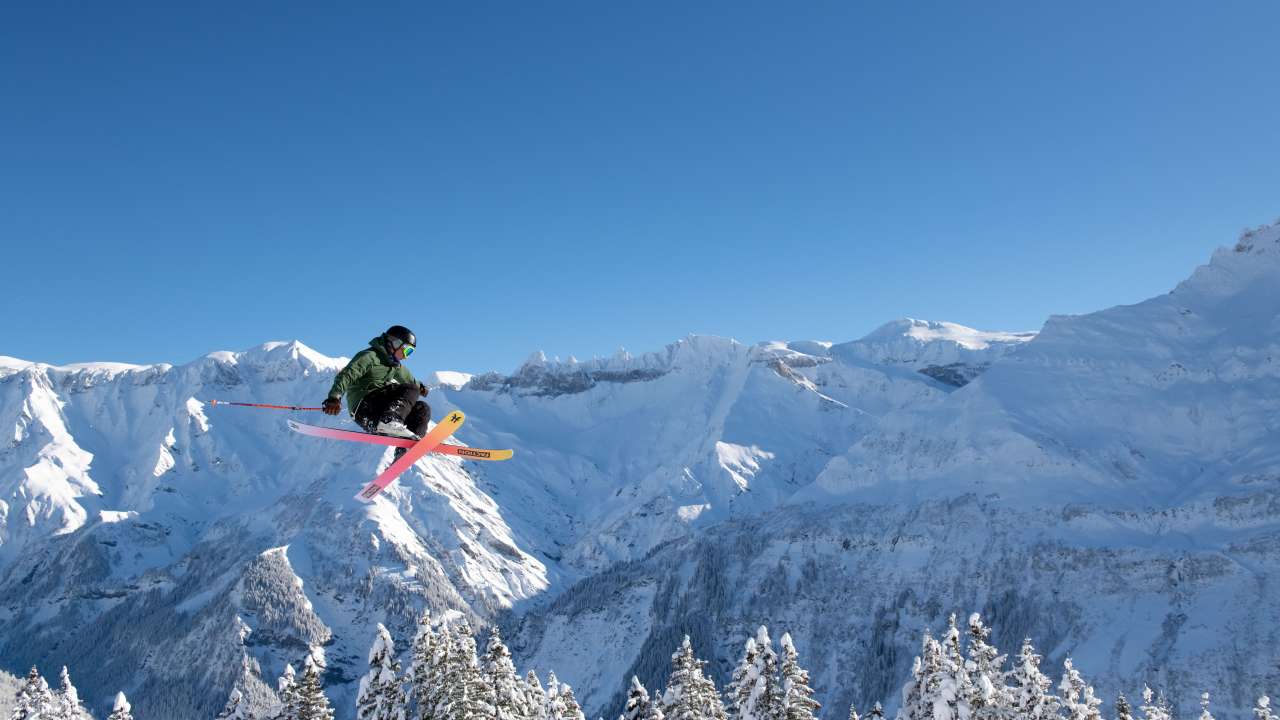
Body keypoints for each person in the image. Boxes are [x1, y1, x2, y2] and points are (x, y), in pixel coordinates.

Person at [322, 326, 431, 448]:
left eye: (410, 353)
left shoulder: (394, 365)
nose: (406, 356)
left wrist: (421, 387)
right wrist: (334, 397)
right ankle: (389, 421)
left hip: (378, 416)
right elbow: (347, 375)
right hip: (365, 407)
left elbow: (410, 380)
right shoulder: (370, 356)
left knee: (422, 408)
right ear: (395, 343)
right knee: (411, 389)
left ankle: (408, 448)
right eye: (407, 350)